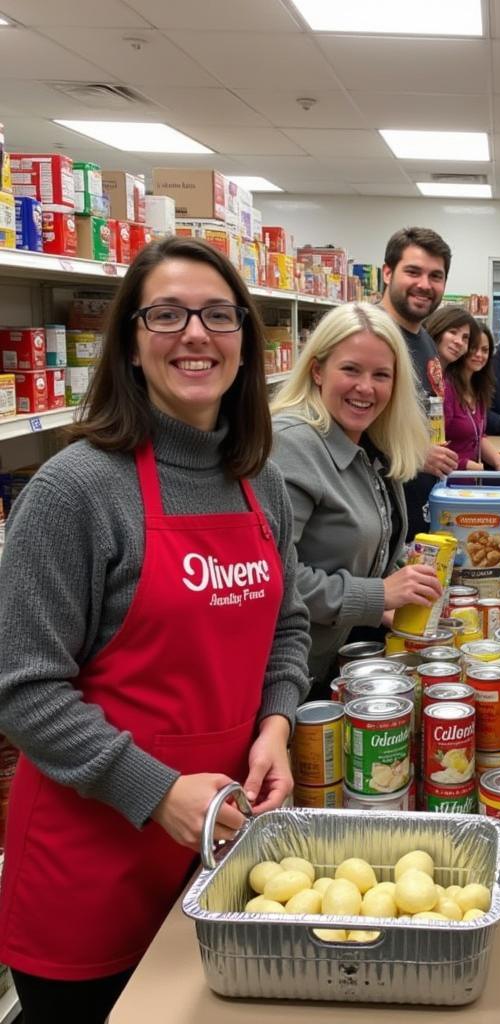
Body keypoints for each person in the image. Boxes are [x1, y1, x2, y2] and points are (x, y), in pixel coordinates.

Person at [0, 236, 312, 1023]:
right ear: (133, 346)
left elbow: (288, 625)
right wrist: (155, 790)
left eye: (217, 315)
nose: (195, 334)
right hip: (93, 865)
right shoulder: (77, 489)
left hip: (225, 847)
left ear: (246, 341)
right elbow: (20, 686)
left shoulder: (258, 479)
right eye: (167, 315)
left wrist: (274, 729)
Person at [271, 303, 442, 699]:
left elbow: (366, 546)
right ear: (317, 370)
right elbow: (274, 579)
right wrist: (380, 595)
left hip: (331, 664)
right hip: (285, 682)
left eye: (381, 375)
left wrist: (395, 597)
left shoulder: (367, 443)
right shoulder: (291, 444)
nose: (366, 387)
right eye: (350, 369)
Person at [379, 226, 459, 537]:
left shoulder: (424, 339)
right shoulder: (369, 335)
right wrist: (413, 454)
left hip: (414, 519)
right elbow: (337, 436)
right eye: (413, 271)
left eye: (435, 276)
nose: (424, 285)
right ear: (388, 273)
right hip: (378, 522)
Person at [440, 320, 500, 474]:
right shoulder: (446, 388)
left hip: (470, 482)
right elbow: (436, 448)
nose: (479, 355)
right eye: (473, 348)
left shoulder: (479, 389)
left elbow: (479, 437)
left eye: (485, 350)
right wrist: (477, 467)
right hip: (448, 483)